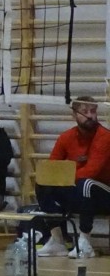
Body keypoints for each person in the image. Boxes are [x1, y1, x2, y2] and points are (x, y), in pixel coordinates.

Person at [36, 97, 110, 258]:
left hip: (104, 194)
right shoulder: (66, 137)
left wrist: (65, 178)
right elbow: (52, 168)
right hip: (79, 191)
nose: (90, 115)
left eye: (93, 111)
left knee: (86, 184)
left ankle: (85, 242)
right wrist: (55, 179)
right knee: (43, 182)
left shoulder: (104, 136)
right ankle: (57, 241)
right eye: (84, 112)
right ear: (74, 115)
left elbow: (92, 171)